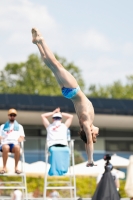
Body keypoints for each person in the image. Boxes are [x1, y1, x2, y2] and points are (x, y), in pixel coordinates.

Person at [31, 28, 99, 166]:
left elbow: (89, 142)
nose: (97, 133)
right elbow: (88, 141)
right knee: (53, 66)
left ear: (90, 133)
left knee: (56, 64)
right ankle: (37, 43)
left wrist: (90, 160)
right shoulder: (87, 123)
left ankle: (41, 41)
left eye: (96, 135)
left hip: (73, 90)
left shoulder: (86, 123)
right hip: (69, 92)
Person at [0, 108, 25, 174]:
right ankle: (4, 167)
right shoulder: (3, 126)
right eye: (11, 115)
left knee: (17, 147)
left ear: (15, 116)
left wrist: (20, 139)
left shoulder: (19, 126)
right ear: (8, 115)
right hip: (5, 143)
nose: (12, 116)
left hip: (14, 144)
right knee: (6, 147)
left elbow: (22, 137)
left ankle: (16, 167)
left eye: (14, 115)